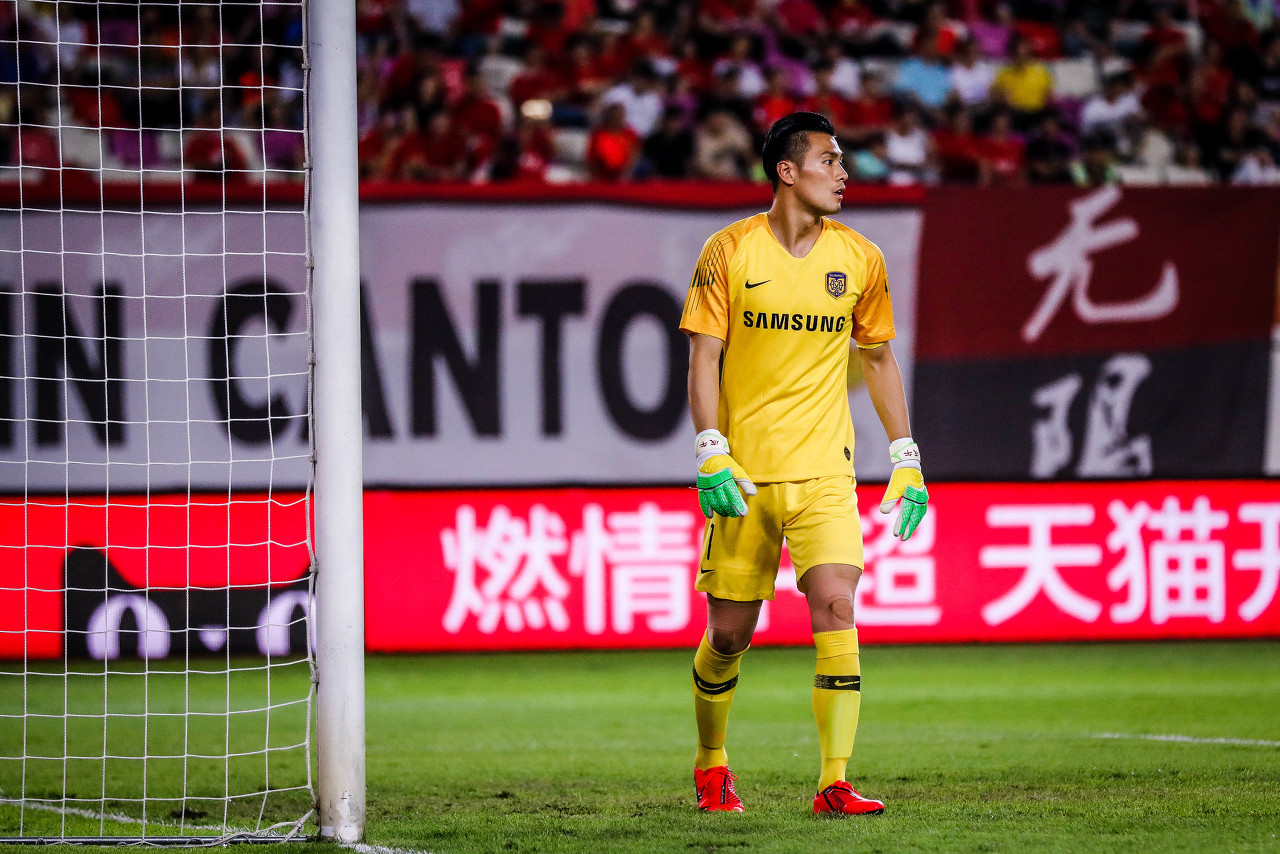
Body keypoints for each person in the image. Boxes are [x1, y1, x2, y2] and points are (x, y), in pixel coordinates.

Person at [678, 111, 929, 817]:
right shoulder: (729, 250)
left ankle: (833, 782)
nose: (844, 174)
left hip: (826, 470)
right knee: (729, 635)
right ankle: (711, 763)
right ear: (787, 172)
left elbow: (877, 357)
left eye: (843, 162)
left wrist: (906, 455)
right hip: (743, 477)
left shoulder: (861, 258)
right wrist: (710, 448)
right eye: (829, 160)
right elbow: (703, 354)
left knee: (837, 606)